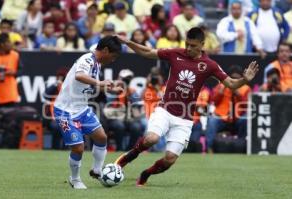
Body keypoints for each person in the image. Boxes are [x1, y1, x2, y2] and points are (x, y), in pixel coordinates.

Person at [114, 27, 259, 186]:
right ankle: (124, 160)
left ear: (202, 45)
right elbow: (148, 52)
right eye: (187, 44)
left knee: (169, 159)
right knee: (151, 139)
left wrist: (244, 80)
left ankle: (145, 175)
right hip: (165, 110)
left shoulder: (209, 65)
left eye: (193, 45)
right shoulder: (175, 53)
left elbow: (231, 83)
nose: (189, 48)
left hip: (185, 119)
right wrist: (128, 42)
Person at [53, 36, 123, 189]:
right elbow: (79, 75)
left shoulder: (96, 62)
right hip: (66, 110)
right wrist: (99, 83)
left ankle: (97, 170)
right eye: (113, 56)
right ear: (105, 50)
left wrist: (110, 88)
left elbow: (90, 85)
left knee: (101, 137)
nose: (113, 60)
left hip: (81, 108)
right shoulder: (87, 59)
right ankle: (75, 179)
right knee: (78, 147)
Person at [206, 65, 251, 153]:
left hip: (238, 118)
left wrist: (237, 93)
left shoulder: (246, 88)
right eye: (232, 78)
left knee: (245, 119)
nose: (234, 80)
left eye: (237, 78)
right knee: (212, 120)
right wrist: (221, 92)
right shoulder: (220, 86)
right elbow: (214, 102)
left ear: (241, 78)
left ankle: (241, 147)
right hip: (222, 118)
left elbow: (247, 106)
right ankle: (209, 148)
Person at [0, 33, 20, 109]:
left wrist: (13, 72)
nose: (11, 44)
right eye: (8, 42)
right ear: (2, 44)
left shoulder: (15, 55)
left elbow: (21, 71)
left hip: (10, 94)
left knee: (11, 118)